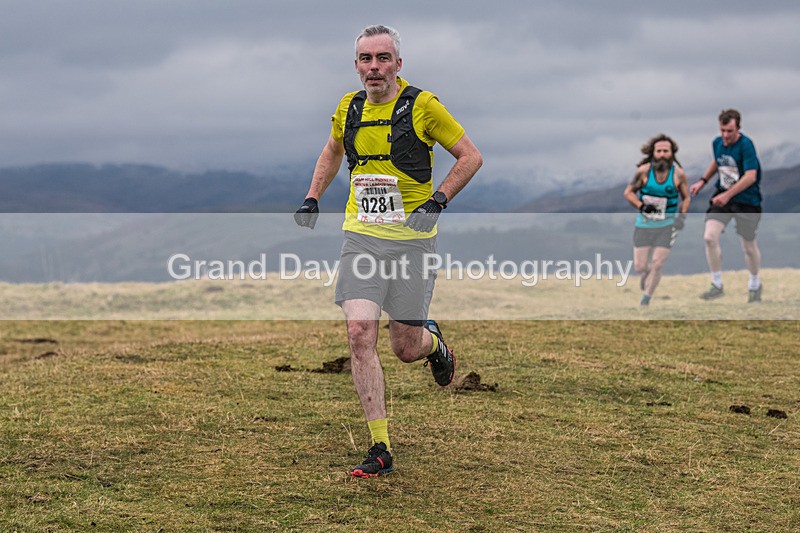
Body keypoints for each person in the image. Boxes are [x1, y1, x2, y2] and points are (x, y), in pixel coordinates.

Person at [294, 24, 482, 478]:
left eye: (382, 59)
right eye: (365, 59)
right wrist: (313, 196)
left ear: (398, 63)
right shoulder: (349, 106)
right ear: (356, 64)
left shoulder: (424, 106)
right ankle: (380, 446)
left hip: (413, 243)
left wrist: (437, 202)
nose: (373, 67)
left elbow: (471, 156)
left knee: (405, 348)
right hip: (361, 236)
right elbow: (333, 150)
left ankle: (434, 344)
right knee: (360, 332)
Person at [689, 109, 763, 303]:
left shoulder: (746, 145)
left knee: (748, 246)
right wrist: (702, 181)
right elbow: (718, 161)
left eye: (729, 131)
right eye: (722, 130)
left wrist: (728, 195)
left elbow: (750, 176)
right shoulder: (717, 143)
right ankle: (717, 284)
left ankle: (755, 284)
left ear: (738, 128)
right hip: (722, 197)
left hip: (747, 201)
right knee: (709, 237)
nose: (725, 135)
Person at [623, 134, 690, 306]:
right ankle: (645, 275)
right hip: (644, 224)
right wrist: (641, 206)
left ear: (672, 153)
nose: (662, 154)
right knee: (640, 266)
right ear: (653, 153)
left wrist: (681, 217)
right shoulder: (644, 172)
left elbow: (686, 197)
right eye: (658, 151)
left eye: (665, 151)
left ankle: (646, 298)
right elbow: (628, 192)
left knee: (658, 263)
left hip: (666, 226)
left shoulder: (679, 175)